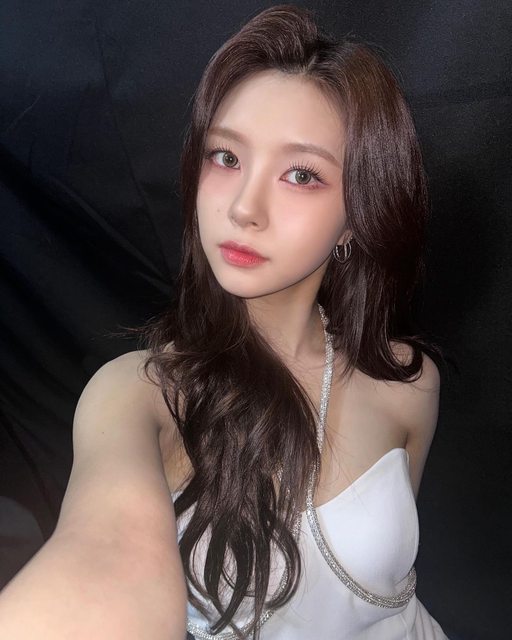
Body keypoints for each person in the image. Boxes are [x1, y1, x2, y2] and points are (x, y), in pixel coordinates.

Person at [0, 4, 449, 639]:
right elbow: (107, 558)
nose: (243, 207)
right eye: (226, 157)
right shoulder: (141, 396)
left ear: (357, 216)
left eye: (301, 174)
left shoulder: (409, 381)